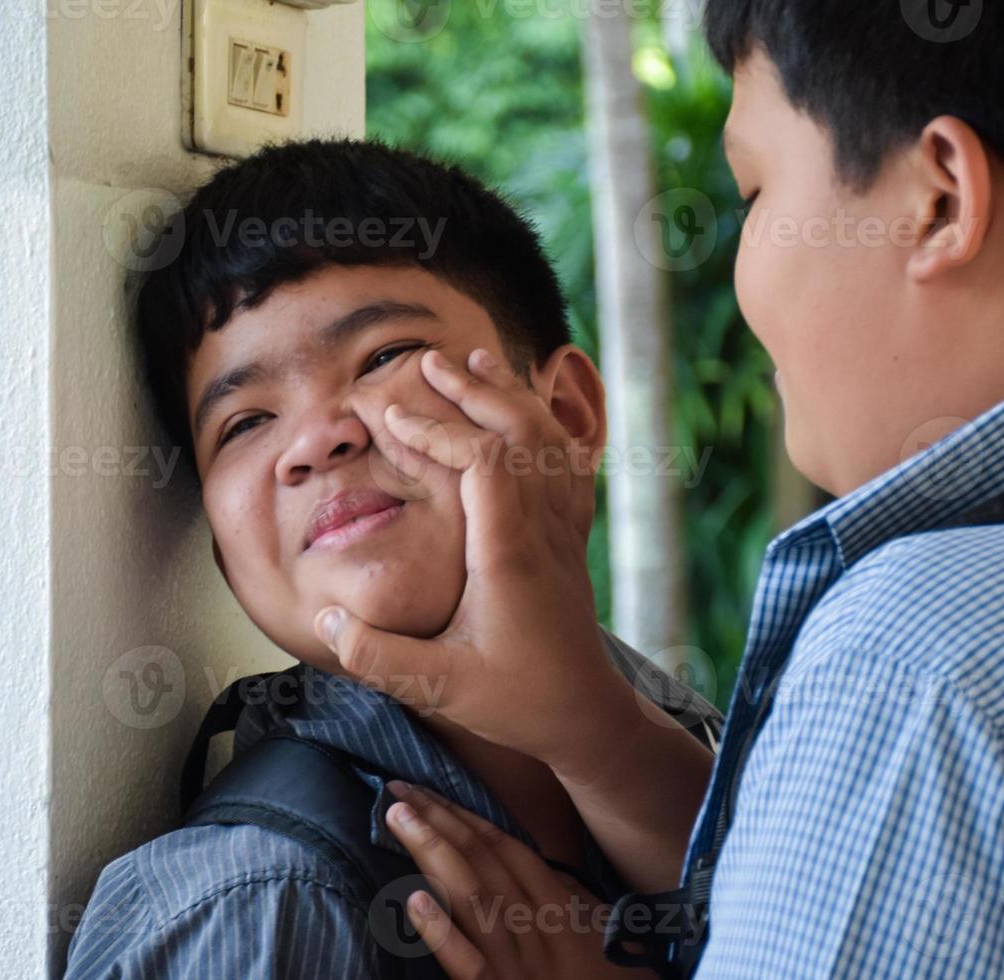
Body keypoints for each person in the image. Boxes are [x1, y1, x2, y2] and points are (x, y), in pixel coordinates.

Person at [322, 0, 1004, 976]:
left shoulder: (923, 663)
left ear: (936, 197)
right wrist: (593, 729)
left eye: (754, 192)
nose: (743, 269)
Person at [62, 138, 719, 980]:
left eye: (381, 357)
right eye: (244, 422)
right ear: (223, 553)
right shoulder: (253, 908)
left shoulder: (716, 747)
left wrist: (602, 739)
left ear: (565, 416)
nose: (314, 439)